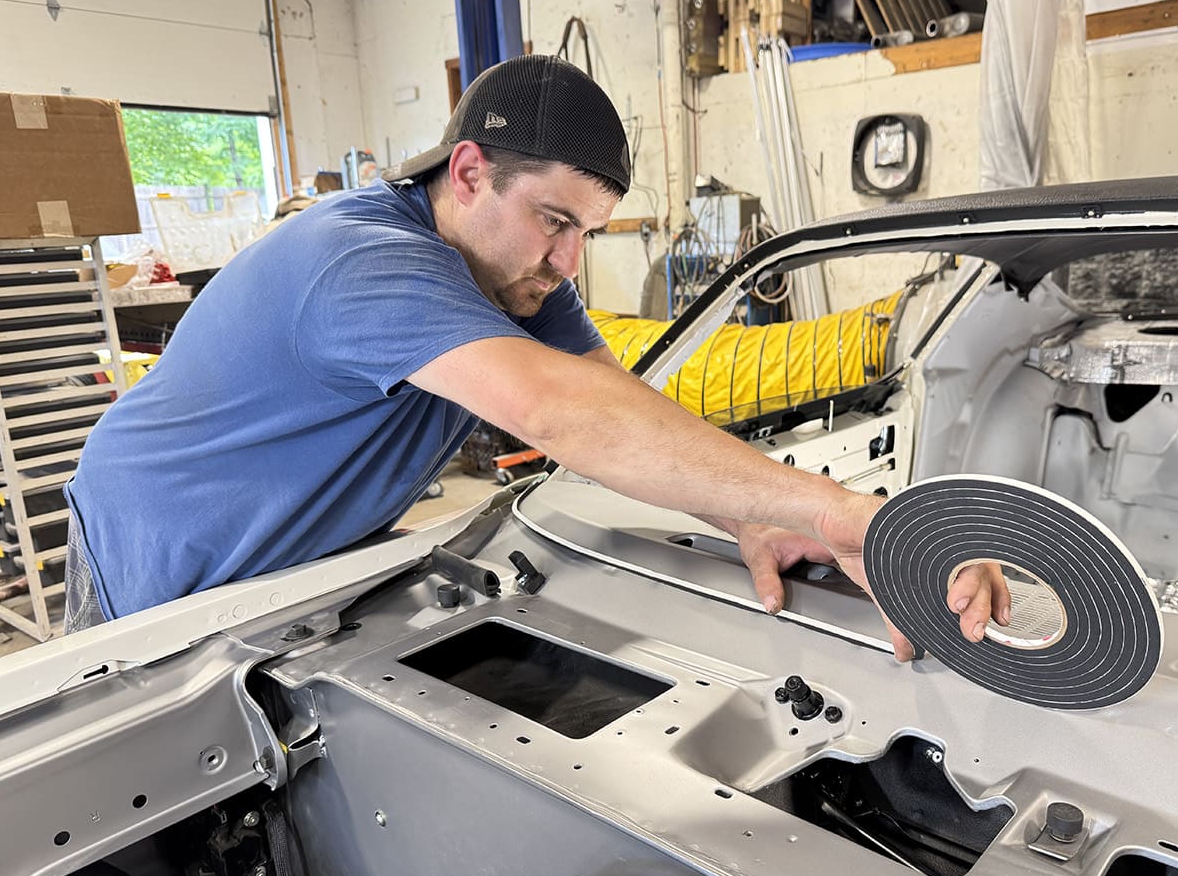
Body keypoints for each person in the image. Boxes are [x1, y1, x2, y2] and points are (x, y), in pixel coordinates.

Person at [64, 55, 1008, 657]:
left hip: (295, 564)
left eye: (588, 232)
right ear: (469, 172)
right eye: (555, 222)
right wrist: (852, 514)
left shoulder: (510, 274)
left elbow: (615, 407)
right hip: (155, 561)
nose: (567, 262)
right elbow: (556, 416)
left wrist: (744, 516)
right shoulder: (358, 260)